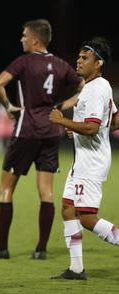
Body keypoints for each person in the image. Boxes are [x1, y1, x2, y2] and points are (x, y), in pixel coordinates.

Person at [0, 19, 84, 260]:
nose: (21, 39)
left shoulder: (24, 62)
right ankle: (41, 249)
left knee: (6, 189)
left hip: (26, 131)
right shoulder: (60, 64)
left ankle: (1, 247)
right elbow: (82, 85)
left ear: (35, 40)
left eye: (24, 35)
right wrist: (63, 106)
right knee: (46, 193)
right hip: (52, 131)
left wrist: (9, 106)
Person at [49, 37, 118, 280]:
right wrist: (76, 128)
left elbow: (91, 128)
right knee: (68, 209)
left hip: (91, 162)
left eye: (84, 57)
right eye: (78, 56)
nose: (78, 61)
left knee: (87, 218)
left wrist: (63, 121)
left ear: (98, 63)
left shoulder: (97, 88)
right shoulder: (94, 86)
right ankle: (76, 268)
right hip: (83, 161)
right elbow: (114, 120)